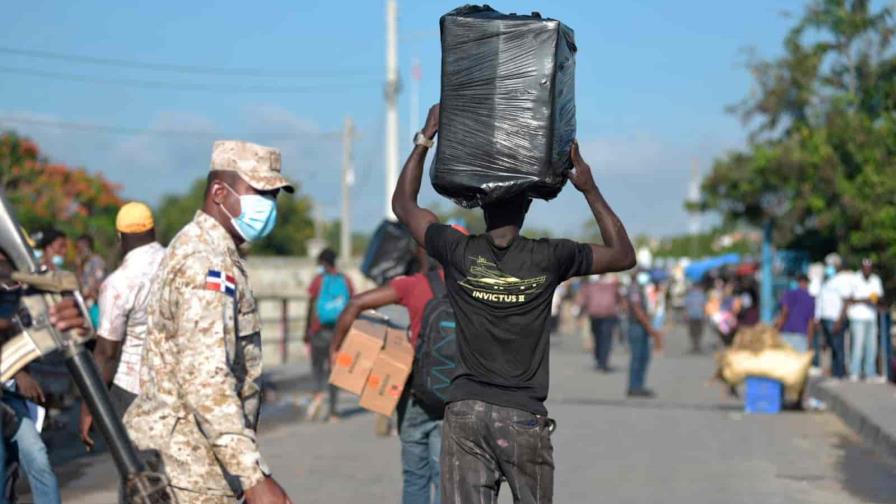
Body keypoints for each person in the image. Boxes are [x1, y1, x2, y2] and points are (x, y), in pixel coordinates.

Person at [392, 103, 636, 504]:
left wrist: (424, 139)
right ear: (527, 206)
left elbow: (404, 205)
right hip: (521, 416)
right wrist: (588, 186)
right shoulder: (550, 257)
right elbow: (623, 254)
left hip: (465, 412)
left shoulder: (457, 250)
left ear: (479, 204)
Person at [123, 140, 292, 504]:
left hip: (186, 459)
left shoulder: (204, 248)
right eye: (259, 192)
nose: (268, 206)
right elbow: (206, 380)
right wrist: (254, 477)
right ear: (219, 192)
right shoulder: (206, 263)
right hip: (191, 469)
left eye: (274, 196)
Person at [329, 236, 463, 504]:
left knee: (415, 476)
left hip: (415, 393)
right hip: (456, 395)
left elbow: (355, 304)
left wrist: (336, 349)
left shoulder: (413, 285)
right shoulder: (471, 287)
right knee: (444, 475)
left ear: (421, 254)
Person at [0, 252, 89, 504]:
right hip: (12, 385)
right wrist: (18, 373)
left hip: (10, 397)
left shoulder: (20, 290)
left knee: (37, 457)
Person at [79, 202, 165, 449]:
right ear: (153, 231)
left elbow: (106, 353)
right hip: (177, 382)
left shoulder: (119, 283)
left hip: (133, 386)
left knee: (139, 474)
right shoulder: (177, 263)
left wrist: (89, 407)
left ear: (120, 237)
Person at [304, 248, 353, 422]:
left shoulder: (318, 281)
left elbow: (310, 307)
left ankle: (318, 393)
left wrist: (306, 333)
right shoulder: (345, 280)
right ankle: (333, 411)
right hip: (339, 333)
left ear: (322, 263)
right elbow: (353, 306)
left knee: (318, 367)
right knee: (334, 370)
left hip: (319, 331)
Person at [625, 271, 665, 398]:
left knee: (644, 357)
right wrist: (650, 327)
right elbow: (637, 310)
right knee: (638, 357)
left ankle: (639, 385)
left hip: (642, 326)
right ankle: (634, 386)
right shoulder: (634, 289)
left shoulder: (641, 288)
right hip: (637, 326)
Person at [810, 254, 851, 378]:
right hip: (824, 319)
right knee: (828, 347)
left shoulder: (840, 281)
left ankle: (839, 373)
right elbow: (820, 301)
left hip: (835, 319)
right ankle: (832, 372)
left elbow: (845, 302)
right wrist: (817, 318)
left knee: (838, 348)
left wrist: (839, 320)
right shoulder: (824, 282)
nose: (829, 268)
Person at [846, 258, 885, 383]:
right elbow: (849, 299)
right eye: (865, 268)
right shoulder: (854, 279)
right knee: (858, 345)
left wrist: (874, 300)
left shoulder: (875, 280)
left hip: (871, 317)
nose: (867, 270)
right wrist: (864, 300)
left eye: (869, 268)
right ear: (861, 268)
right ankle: (855, 372)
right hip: (857, 317)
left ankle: (870, 373)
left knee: (871, 346)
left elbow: (879, 296)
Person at [578, 274, 621, 370]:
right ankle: (602, 360)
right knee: (603, 338)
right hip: (603, 314)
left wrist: (581, 310)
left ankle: (602, 360)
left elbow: (584, 299)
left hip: (599, 314)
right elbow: (618, 298)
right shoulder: (611, 286)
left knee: (601, 338)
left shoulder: (593, 285)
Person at [776, 274, 815, 352]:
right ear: (807, 284)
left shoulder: (788, 294)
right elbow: (810, 323)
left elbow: (784, 313)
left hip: (785, 335)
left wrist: (777, 329)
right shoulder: (811, 299)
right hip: (801, 337)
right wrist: (810, 343)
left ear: (798, 282)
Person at [76, 234, 106, 328]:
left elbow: (99, 283)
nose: (79, 251)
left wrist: (90, 293)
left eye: (81, 248)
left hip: (96, 303)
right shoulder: (83, 263)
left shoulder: (97, 261)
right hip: (86, 304)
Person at [683, 283, 707, 354]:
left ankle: (695, 345)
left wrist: (686, 315)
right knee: (699, 331)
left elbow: (686, 306)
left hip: (692, 316)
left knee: (692, 332)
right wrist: (705, 316)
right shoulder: (702, 295)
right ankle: (697, 345)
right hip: (699, 315)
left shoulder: (689, 296)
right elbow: (704, 306)